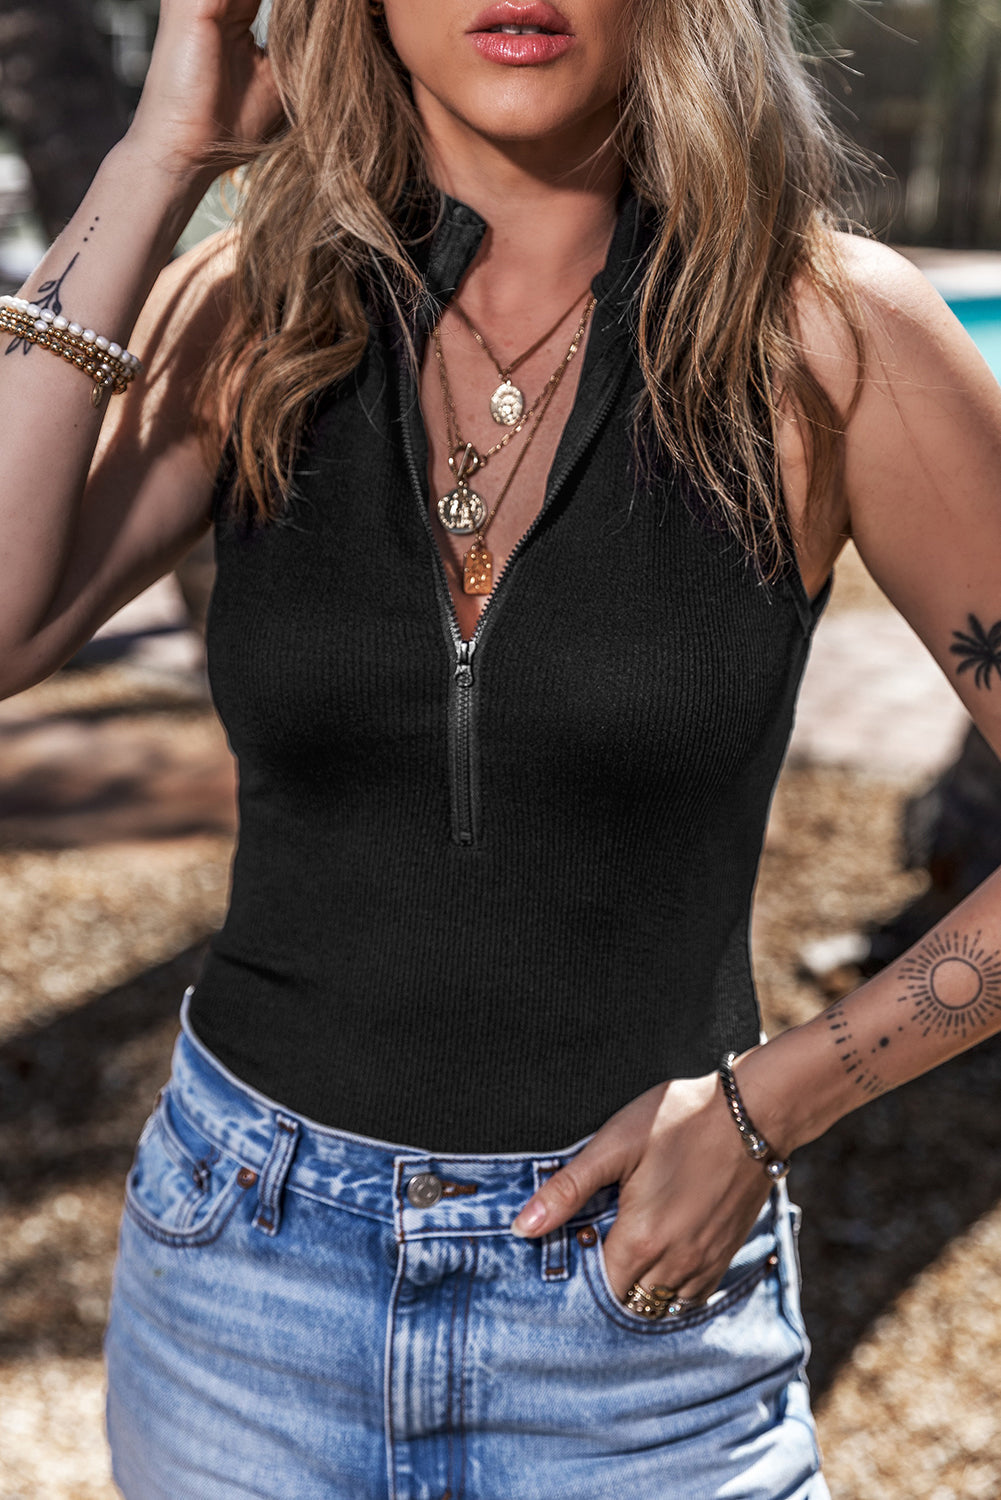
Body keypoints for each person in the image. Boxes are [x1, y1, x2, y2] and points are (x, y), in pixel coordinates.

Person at [3, 0, 1001, 1493]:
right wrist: (161, 153)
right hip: (240, 1293)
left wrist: (778, 1100)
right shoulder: (255, 314)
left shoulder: (824, 335)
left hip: (636, 1331)